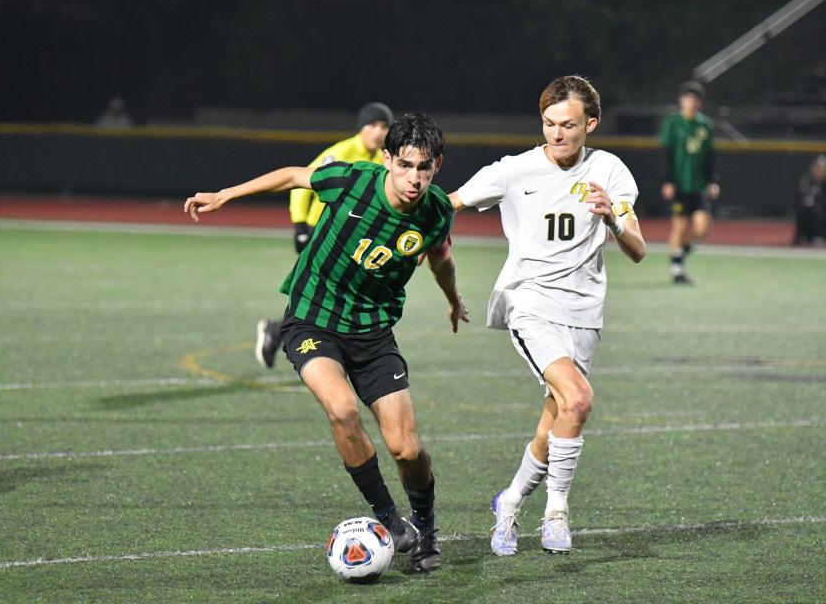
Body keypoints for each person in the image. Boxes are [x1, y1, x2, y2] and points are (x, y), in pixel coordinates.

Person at [185, 112, 468, 573]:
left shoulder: (436, 211)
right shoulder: (352, 179)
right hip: (312, 321)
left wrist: (453, 300)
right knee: (342, 411)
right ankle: (389, 521)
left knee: (408, 451)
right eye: (404, 165)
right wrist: (226, 195)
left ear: (437, 166)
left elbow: (441, 259)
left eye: (424, 168)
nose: (414, 179)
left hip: (374, 334)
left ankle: (426, 532)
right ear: (387, 159)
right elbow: (294, 176)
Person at [448, 76, 646, 556]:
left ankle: (509, 502)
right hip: (530, 303)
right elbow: (447, 203)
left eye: (568, 125)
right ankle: (556, 513)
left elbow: (638, 250)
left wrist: (613, 218)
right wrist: (426, 249)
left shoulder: (610, 171)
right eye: (549, 124)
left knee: (554, 422)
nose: (557, 134)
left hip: (584, 313)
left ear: (590, 125)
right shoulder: (515, 171)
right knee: (578, 400)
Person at [255, 102, 394, 368]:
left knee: (334, 299)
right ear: (361, 127)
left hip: (353, 239)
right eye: (373, 125)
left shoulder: (382, 159)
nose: (378, 131)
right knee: (326, 298)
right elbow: (299, 184)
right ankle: (285, 332)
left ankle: (279, 331)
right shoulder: (341, 152)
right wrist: (300, 226)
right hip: (323, 234)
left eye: (384, 126)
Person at [660, 80, 718, 284]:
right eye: (687, 97)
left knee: (702, 229)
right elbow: (667, 154)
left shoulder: (705, 125)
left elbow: (710, 156)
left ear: (699, 102)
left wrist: (712, 181)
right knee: (680, 227)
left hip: (699, 184)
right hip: (679, 184)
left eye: (694, 98)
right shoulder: (673, 123)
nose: (690, 101)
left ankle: (678, 256)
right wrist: (667, 181)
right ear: (681, 100)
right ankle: (677, 271)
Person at [793, 154, 826, 247]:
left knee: (817, 211)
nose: (819, 171)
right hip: (808, 215)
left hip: (822, 217)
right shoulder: (807, 181)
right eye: (817, 168)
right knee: (804, 209)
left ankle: (818, 237)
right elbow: (798, 198)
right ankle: (801, 237)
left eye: (822, 169)